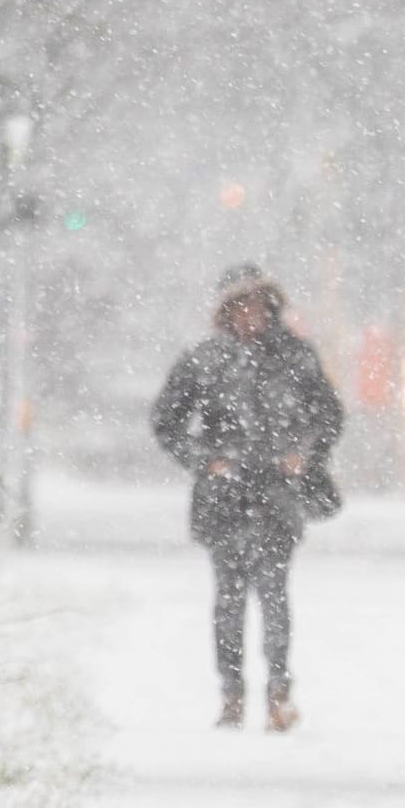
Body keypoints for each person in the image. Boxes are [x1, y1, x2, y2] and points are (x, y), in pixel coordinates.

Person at [151, 263, 346, 729]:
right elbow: (167, 422)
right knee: (229, 600)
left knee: (275, 596)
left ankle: (279, 691)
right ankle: (232, 693)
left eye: (257, 303)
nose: (250, 313)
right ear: (225, 311)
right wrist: (204, 459)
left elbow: (329, 417)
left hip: (277, 496)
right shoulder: (204, 360)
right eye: (240, 304)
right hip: (224, 498)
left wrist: (304, 453)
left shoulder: (296, 357)